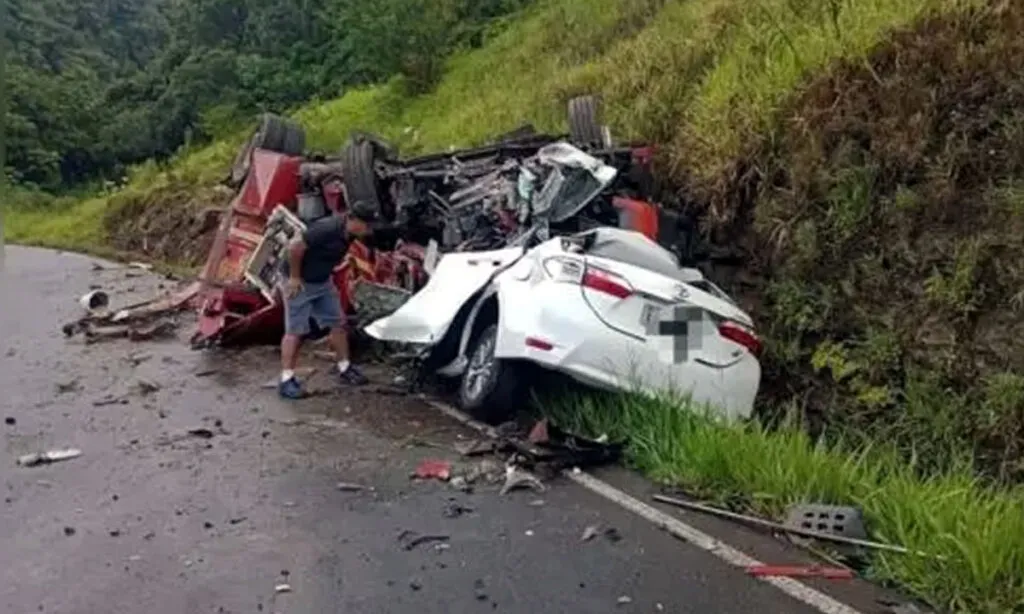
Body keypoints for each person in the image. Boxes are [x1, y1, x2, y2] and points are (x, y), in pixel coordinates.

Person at [278, 208, 373, 399]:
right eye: (366, 225)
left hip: (322, 281)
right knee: (296, 330)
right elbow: (295, 247)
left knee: (338, 322)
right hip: (300, 281)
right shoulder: (327, 229)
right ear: (352, 220)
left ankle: (344, 367)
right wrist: (295, 278)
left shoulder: (350, 234)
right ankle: (286, 378)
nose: (368, 230)